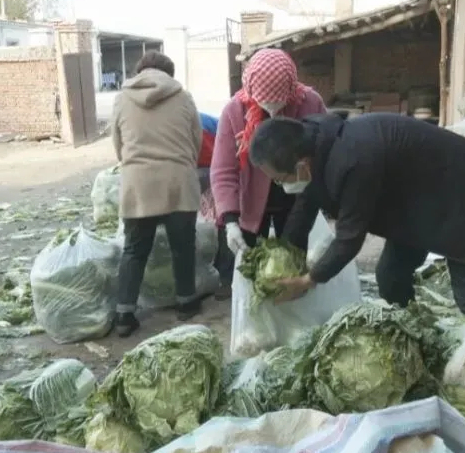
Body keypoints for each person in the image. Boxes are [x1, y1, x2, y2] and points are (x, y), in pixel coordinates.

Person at [247, 112, 465, 315]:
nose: (283, 187)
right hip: (413, 203)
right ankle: (415, 333)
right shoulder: (314, 143)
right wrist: (287, 255)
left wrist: (308, 280)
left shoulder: (353, 161)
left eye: (280, 180)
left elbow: (349, 239)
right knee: (390, 276)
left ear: (301, 164)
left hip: (459, 191)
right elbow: (304, 207)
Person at [111, 51, 203, 337]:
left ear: (140, 71)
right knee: (182, 246)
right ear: (169, 74)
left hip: (138, 184)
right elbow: (196, 139)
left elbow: (118, 144)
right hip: (177, 181)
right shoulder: (183, 97)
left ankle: (124, 314)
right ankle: (186, 302)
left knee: (135, 250)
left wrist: (134, 165)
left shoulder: (122, 98)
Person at [210, 48, 327, 256]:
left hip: (297, 202)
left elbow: (325, 151)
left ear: (291, 89)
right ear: (251, 90)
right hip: (251, 206)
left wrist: (312, 182)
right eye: (265, 104)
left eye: (279, 103)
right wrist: (230, 221)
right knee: (251, 263)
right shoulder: (234, 111)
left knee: (294, 260)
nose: (272, 112)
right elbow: (223, 169)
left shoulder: (310, 103)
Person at [196, 112, 235, 295]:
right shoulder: (189, 113)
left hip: (217, 168)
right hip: (209, 167)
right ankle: (222, 272)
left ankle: (226, 276)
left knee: (222, 219)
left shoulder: (188, 119)